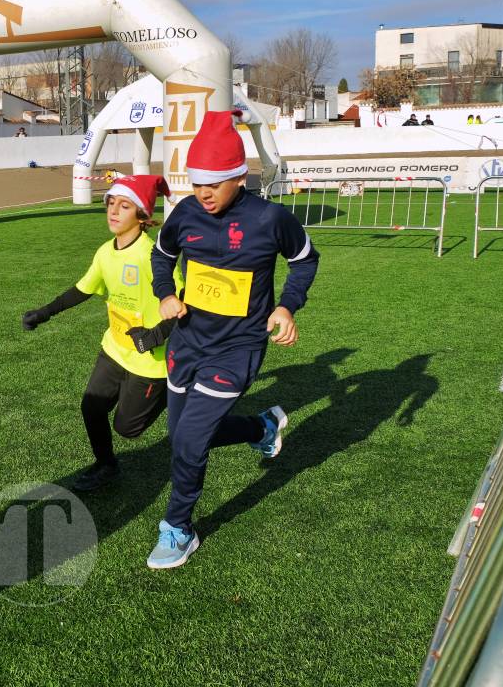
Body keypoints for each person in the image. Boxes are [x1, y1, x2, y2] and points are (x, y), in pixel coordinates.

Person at [145, 110, 320, 569]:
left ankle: (179, 528)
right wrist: (165, 295)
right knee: (183, 435)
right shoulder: (185, 213)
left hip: (238, 348)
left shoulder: (270, 218)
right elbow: (161, 257)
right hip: (186, 342)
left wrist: (286, 306)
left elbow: (304, 260)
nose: (203, 193)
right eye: (197, 181)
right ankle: (262, 427)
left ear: (239, 177)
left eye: (214, 183)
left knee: (188, 443)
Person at [22, 175, 180, 491]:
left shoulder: (154, 256)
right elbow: (83, 289)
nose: (113, 211)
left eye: (124, 206)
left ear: (142, 215)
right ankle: (106, 465)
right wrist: (45, 313)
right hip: (114, 349)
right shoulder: (105, 252)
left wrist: (154, 336)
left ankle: (172, 391)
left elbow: (182, 304)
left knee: (127, 428)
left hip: (150, 361)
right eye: (111, 204)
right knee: (91, 406)